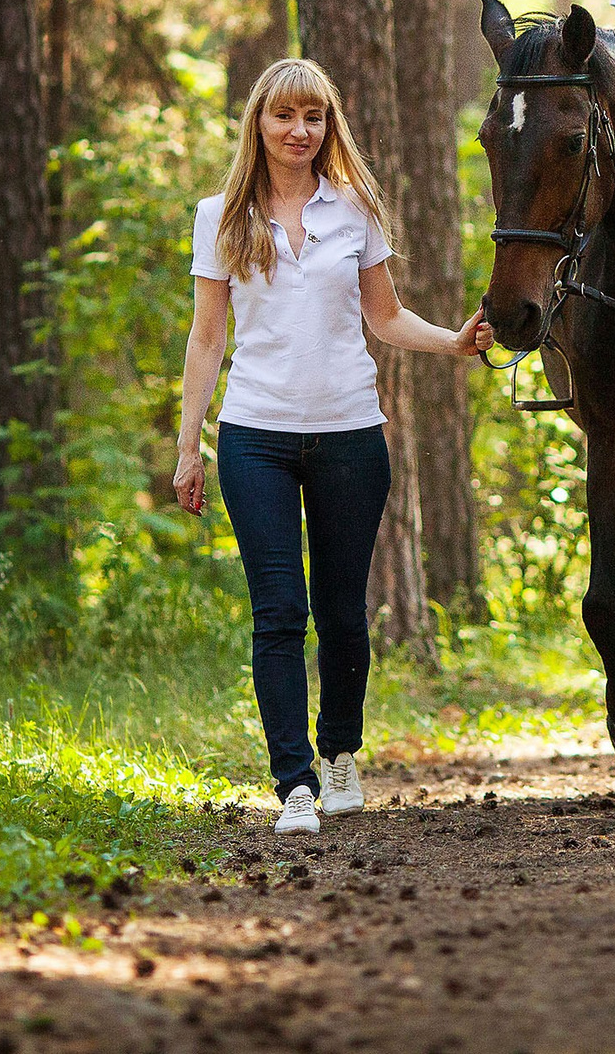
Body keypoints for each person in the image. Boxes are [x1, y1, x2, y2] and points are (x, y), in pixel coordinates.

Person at [174, 59, 490, 836]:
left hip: (350, 432)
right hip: (255, 437)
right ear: (259, 121)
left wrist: (452, 341)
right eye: (284, 115)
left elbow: (385, 316)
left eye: (312, 117)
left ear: (328, 125)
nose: (299, 130)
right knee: (279, 611)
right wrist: (189, 445)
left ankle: (341, 752)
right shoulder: (219, 215)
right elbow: (208, 337)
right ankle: (294, 783)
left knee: (344, 611)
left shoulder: (354, 208)